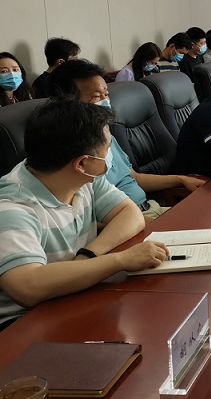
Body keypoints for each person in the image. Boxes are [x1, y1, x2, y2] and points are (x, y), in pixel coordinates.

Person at [0, 98, 168, 328]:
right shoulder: (12, 207)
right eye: (107, 149)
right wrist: (120, 260)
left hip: (75, 295)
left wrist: (88, 255)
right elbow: (27, 288)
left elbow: (130, 214)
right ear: (81, 163)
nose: (109, 157)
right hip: (25, 322)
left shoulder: (83, 178)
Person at [50, 60, 205, 219]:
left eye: (106, 94)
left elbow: (133, 177)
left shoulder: (105, 135)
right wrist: (139, 222)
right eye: (96, 97)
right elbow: (89, 219)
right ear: (69, 103)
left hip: (149, 208)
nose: (105, 101)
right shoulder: (70, 156)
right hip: (130, 221)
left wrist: (181, 179)